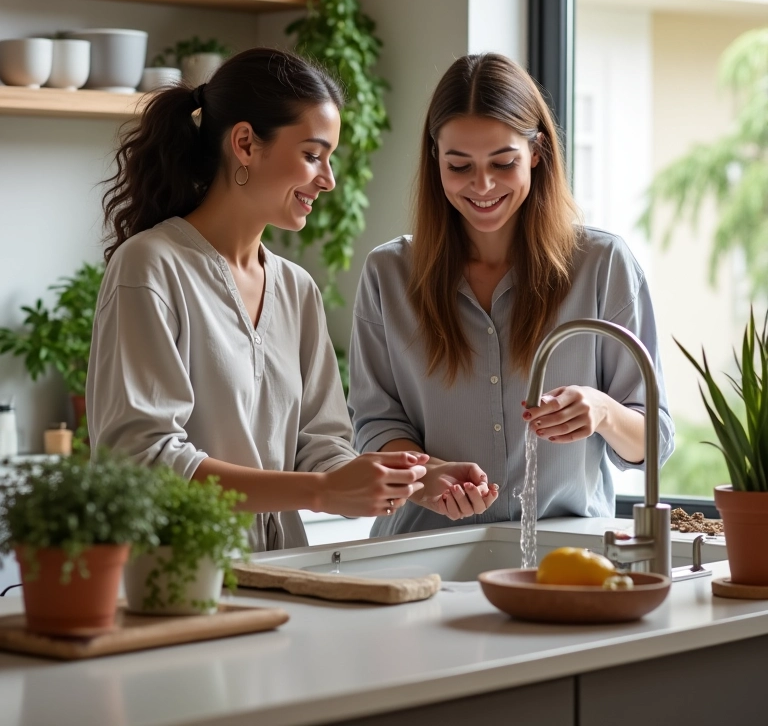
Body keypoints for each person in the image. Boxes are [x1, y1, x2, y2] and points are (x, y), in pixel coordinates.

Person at [86, 47, 428, 552]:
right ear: (245, 143)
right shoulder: (151, 267)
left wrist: (416, 478)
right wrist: (320, 491)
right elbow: (143, 458)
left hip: (280, 575)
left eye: (329, 159)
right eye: (312, 155)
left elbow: (322, 445)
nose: (328, 179)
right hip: (175, 581)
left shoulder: (296, 288)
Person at [347, 52, 675, 538]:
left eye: (503, 162)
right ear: (435, 157)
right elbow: (375, 423)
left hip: (564, 555)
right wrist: (426, 477)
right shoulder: (389, 273)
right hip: (420, 551)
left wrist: (602, 410)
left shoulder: (603, 265)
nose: (482, 186)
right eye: (459, 166)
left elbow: (654, 441)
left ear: (537, 152)